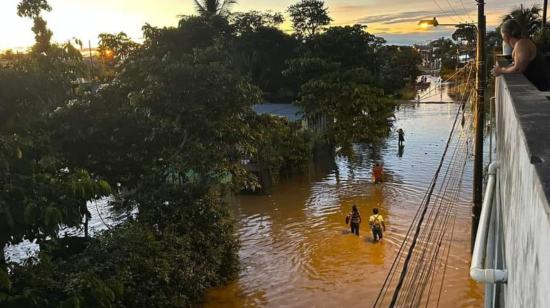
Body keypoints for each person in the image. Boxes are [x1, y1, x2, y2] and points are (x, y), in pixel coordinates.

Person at [493, 19, 550, 91]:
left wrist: (501, 70)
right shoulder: (519, 44)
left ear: (506, 36)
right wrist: (504, 68)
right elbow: (514, 65)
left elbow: (518, 69)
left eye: (502, 35)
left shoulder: (522, 44)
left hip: (543, 91)